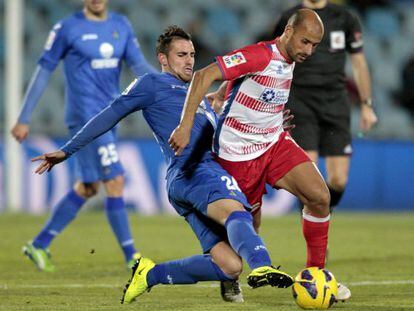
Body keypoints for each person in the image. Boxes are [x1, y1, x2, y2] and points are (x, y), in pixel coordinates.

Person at [31, 26, 295, 304]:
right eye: (181, 55)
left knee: (229, 265)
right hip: (193, 171)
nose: (189, 61)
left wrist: (268, 127)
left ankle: (149, 274)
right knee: (236, 212)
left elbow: (227, 131)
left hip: (187, 182)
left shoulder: (199, 99)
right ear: (163, 59)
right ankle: (262, 265)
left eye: (192, 54)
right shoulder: (151, 85)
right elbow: (109, 115)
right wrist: (66, 150)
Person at [169, 9, 350, 301]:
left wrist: (227, 94)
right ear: (288, 32)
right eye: (305, 42)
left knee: (320, 197)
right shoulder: (259, 55)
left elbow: (248, 84)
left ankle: (316, 275)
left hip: (274, 143)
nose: (309, 51)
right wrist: (185, 125)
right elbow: (203, 75)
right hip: (236, 155)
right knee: (246, 232)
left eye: (315, 45)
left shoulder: (288, 59)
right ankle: (227, 278)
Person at [11, 0, 157, 271]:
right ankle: (132, 257)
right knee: (115, 179)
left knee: (89, 186)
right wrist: (24, 117)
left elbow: (139, 66)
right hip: (84, 118)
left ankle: (39, 244)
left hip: (110, 115)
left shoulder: (121, 25)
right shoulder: (67, 28)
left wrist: (170, 86)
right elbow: (44, 69)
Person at [272, 0, 378, 210]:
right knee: (310, 178)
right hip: (300, 101)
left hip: (335, 101)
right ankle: (315, 226)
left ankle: (321, 213)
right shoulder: (291, 17)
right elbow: (276, 58)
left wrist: (366, 105)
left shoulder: (345, 17)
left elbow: (359, 63)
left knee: (338, 180)